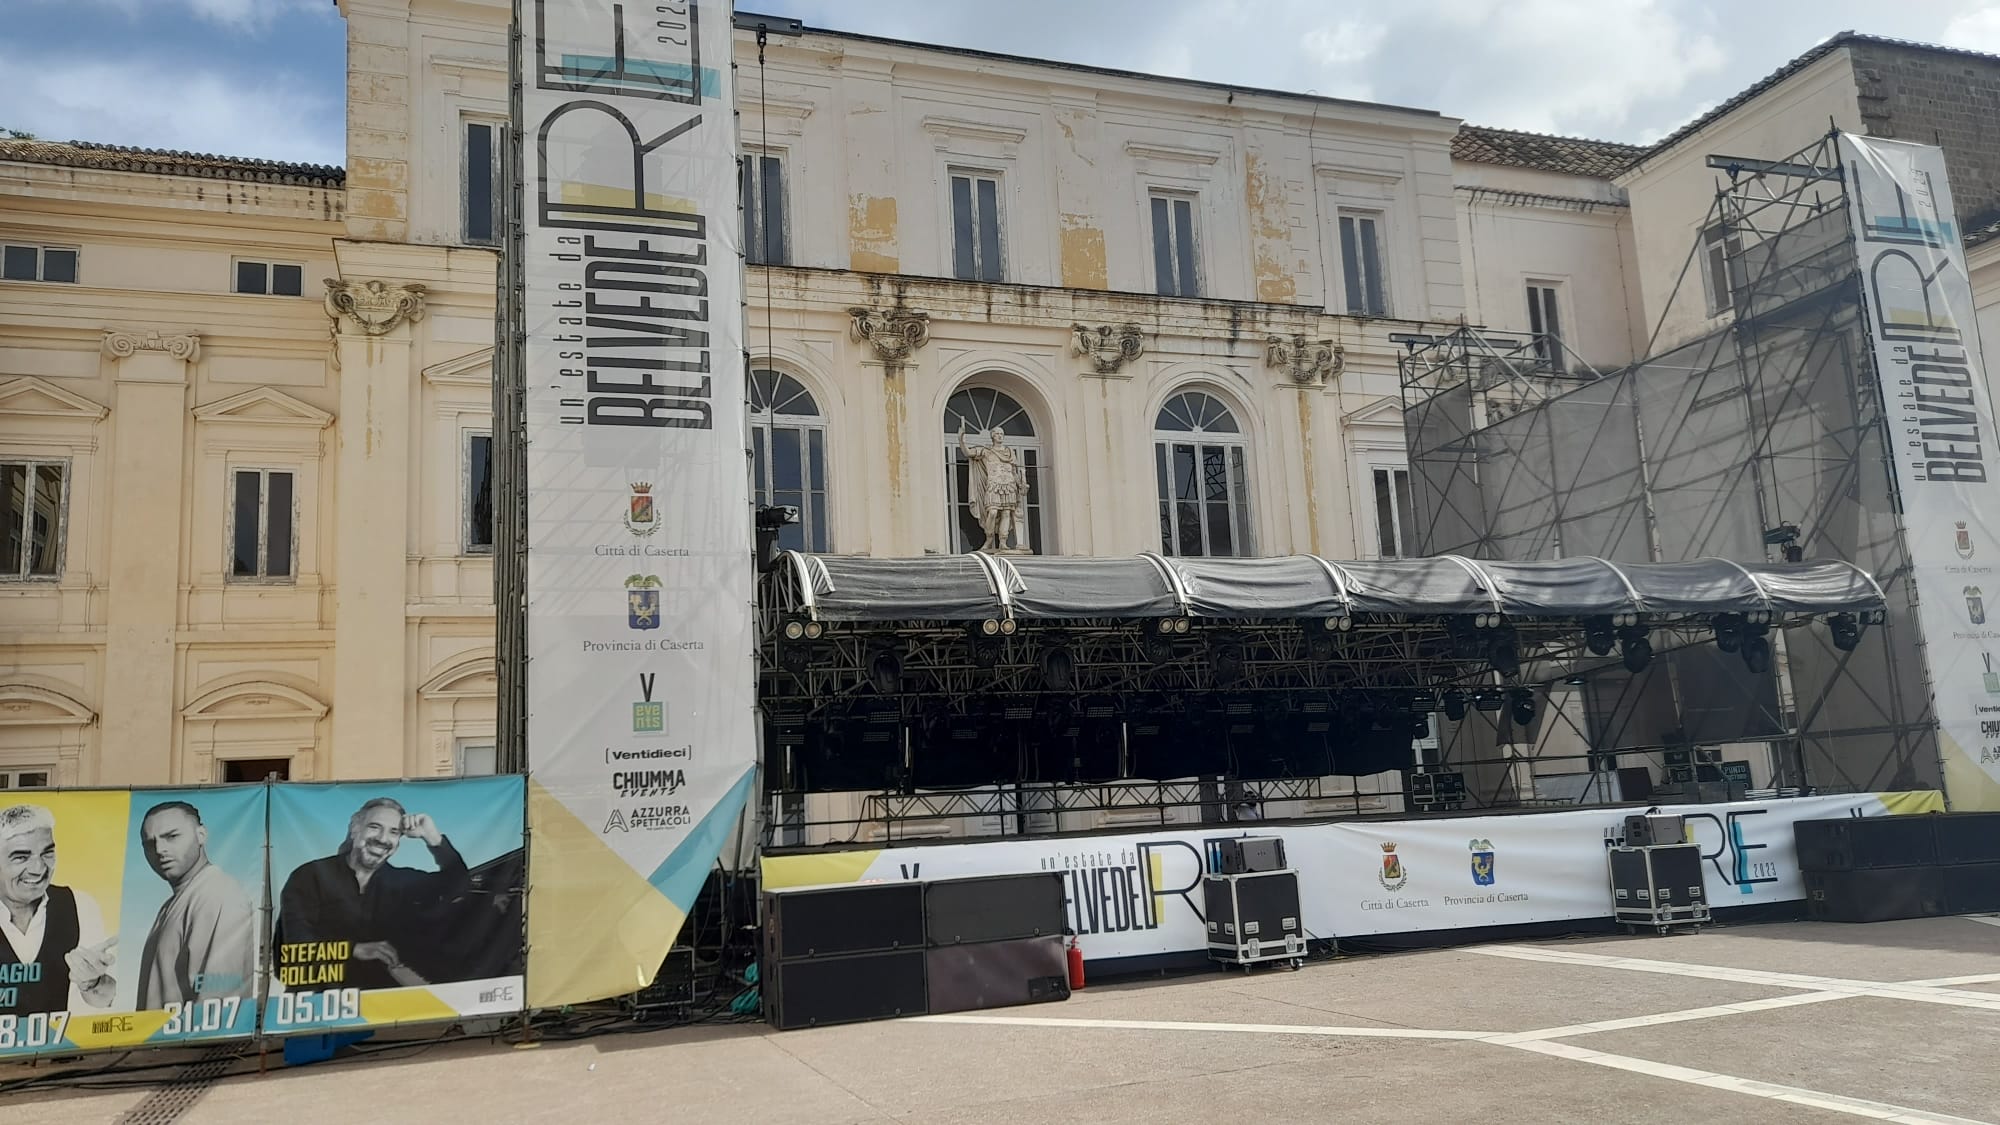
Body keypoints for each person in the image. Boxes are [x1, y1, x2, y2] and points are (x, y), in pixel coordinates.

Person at [274, 797, 469, 990]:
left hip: (382, 1001)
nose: (383, 839)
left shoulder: (405, 881)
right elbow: (295, 946)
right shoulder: (310, 876)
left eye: (394, 832)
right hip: (320, 1001)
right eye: (375, 827)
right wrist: (354, 950)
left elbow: (459, 885)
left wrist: (433, 838)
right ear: (355, 829)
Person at [135, 801, 256, 1009]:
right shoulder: (174, 902)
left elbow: (218, 1000)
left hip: (197, 1030)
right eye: (149, 843)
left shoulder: (217, 893)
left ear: (201, 835)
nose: (159, 849)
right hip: (167, 1029)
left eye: (172, 836)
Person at [0, 804, 115, 1016]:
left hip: (59, 1038)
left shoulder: (79, 905)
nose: (38, 869)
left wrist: (92, 982)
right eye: (21, 857)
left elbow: (105, 1001)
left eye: (47, 853)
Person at [958, 422, 1030, 552]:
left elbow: (1014, 471)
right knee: (992, 512)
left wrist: (1020, 483)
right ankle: (989, 538)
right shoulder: (986, 451)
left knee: (1006, 513)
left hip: (1009, 485)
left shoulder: (1009, 452)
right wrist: (961, 440)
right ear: (992, 436)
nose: (1000, 436)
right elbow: (968, 453)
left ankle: (1003, 541)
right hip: (994, 486)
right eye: (997, 434)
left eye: (1002, 434)